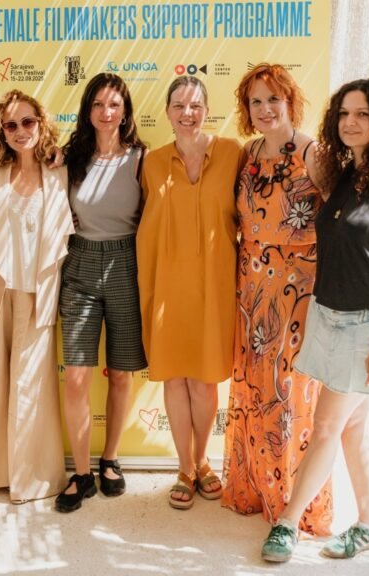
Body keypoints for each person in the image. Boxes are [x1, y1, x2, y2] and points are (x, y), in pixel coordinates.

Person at [261, 78, 369, 562]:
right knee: (353, 428)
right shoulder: (347, 174)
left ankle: (287, 523)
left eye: (363, 114)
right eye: (344, 114)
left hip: (368, 328)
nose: (351, 122)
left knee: (326, 425)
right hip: (328, 317)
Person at [221, 64, 334, 535]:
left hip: (298, 288)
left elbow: (341, 219)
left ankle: (293, 502)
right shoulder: (247, 153)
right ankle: (253, 489)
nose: (265, 109)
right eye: (256, 101)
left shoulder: (312, 152)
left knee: (289, 391)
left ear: (290, 102)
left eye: (273, 99)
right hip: (251, 284)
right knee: (254, 387)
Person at [137, 75, 244, 510]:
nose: (188, 113)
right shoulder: (151, 162)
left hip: (214, 286)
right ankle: (184, 466)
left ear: (207, 109)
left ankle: (203, 462)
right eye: (179, 105)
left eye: (196, 105)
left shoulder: (233, 153)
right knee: (175, 378)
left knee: (203, 382)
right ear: (167, 111)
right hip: (166, 285)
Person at [0, 90, 73, 503]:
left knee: (32, 387)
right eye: (11, 124)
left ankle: (32, 478)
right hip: (0, 290)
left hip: (39, 293)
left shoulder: (59, 172)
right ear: (1, 130)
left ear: (41, 124)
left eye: (28, 122)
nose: (20, 131)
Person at [54, 73, 148, 513]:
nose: (106, 112)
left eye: (114, 105)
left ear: (125, 111)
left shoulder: (142, 159)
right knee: (76, 377)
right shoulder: (70, 157)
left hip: (127, 264)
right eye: (98, 104)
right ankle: (81, 473)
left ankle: (110, 459)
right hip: (80, 263)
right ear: (87, 110)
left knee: (122, 373)